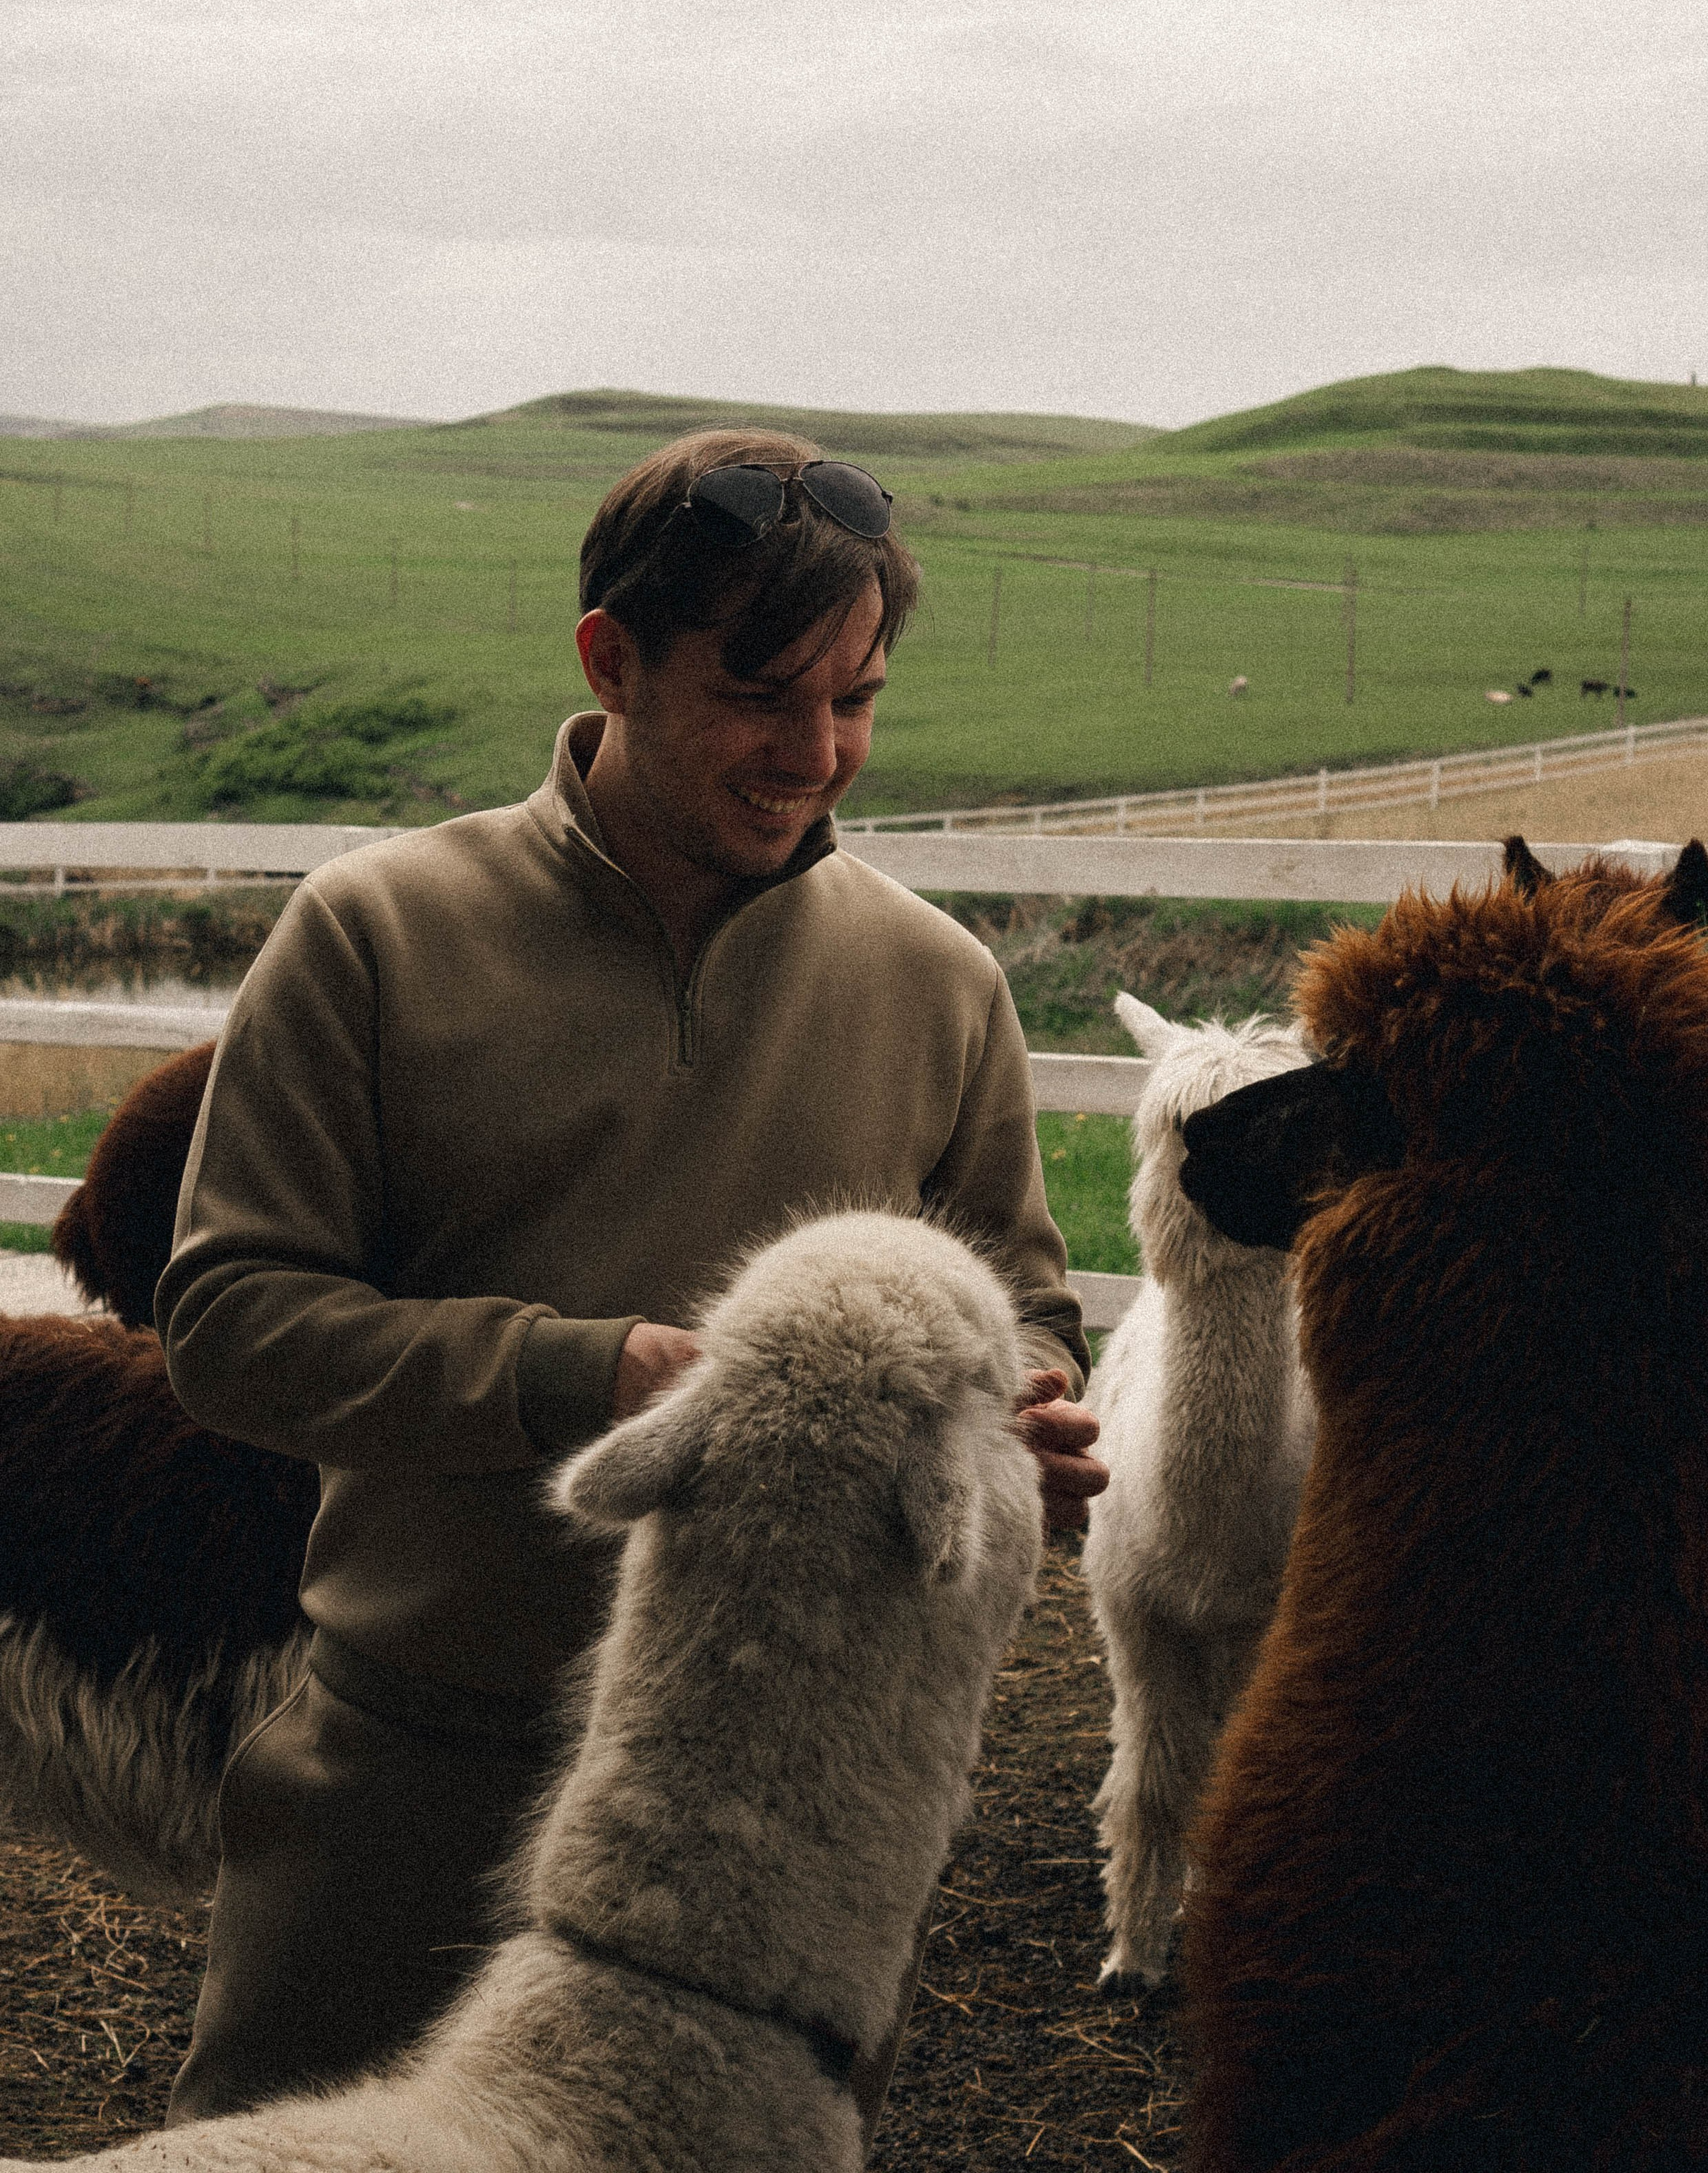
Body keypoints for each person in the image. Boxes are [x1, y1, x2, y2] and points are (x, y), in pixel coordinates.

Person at [157, 426, 1106, 2145]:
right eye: (760, 694)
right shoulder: (371, 936)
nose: (814, 754)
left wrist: (1015, 1417)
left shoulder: (938, 985)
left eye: (856, 699)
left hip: (774, 1821)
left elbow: (1029, 1311)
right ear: (610, 659)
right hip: (413, 1774)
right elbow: (230, 1326)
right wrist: (578, 1378)